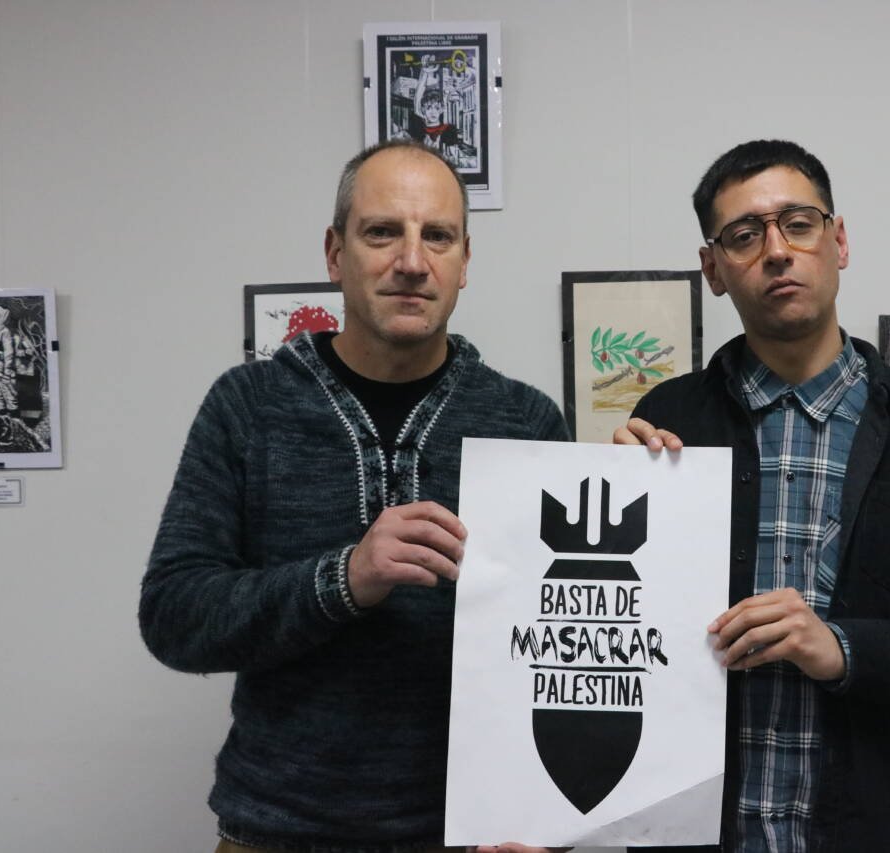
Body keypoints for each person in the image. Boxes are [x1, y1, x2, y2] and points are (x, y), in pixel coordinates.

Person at [616, 139, 890, 852]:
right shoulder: (668, 421)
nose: (776, 252)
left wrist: (844, 647)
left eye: (798, 224)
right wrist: (616, 508)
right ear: (713, 269)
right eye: (744, 236)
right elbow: (624, 642)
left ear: (838, 241)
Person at [141, 139, 569, 853]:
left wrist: (545, 815)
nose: (412, 261)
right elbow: (174, 617)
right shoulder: (247, 406)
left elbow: (563, 648)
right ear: (335, 253)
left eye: (438, 236)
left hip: (469, 836)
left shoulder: (527, 422)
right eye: (382, 232)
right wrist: (344, 578)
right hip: (275, 835)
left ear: (465, 260)